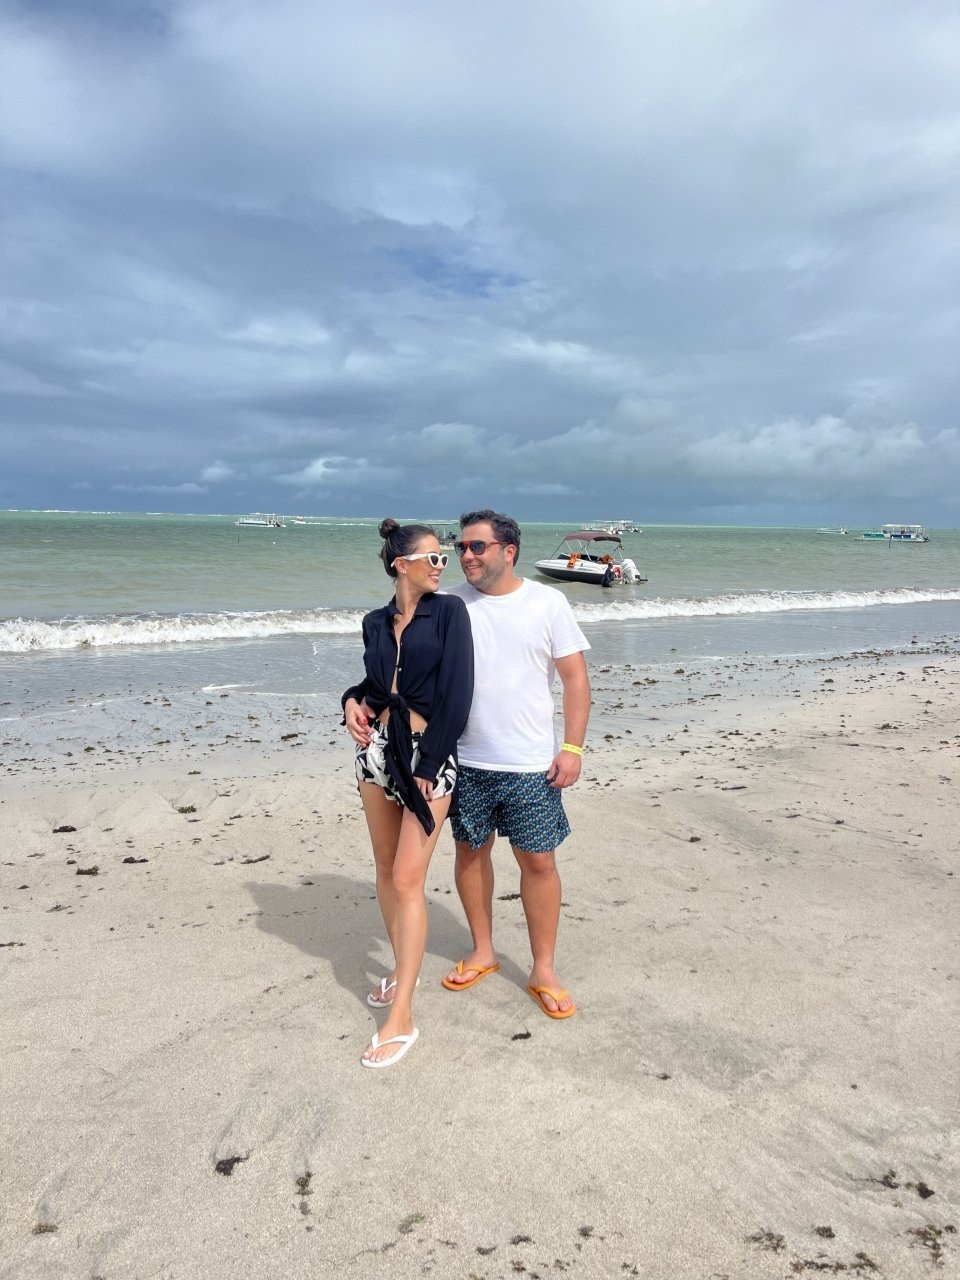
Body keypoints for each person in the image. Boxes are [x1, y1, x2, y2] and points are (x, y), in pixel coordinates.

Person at [443, 509, 590, 1019]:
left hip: (530, 763)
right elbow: (403, 652)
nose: (465, 555)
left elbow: (575, 677)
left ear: (509, 551)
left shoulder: (547, 602)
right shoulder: (449, 605)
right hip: (466, 759)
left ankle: (542, 969)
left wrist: (572, 748)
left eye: (476, 546)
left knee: (539, 862)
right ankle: (483, 950)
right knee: (470, 853)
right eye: (461, 547)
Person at [342, 519, 473, 1067]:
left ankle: (403, 1018)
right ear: (401, 565)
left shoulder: (450, 613)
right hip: (376, 754)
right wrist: (350, 700)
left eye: (444, 557)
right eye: (432, 558)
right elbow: (375, 687)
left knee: (406, 878)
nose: (442, 565)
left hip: (427, 758)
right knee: (383, 866)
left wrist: (432, 761)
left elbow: (458, 693)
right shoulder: (374, 622)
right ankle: (401, 968)